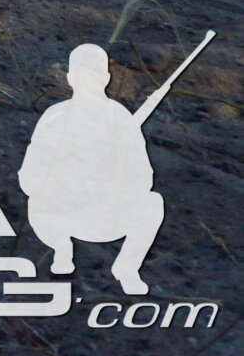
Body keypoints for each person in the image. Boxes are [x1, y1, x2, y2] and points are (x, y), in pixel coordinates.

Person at [21, 40, 173, 295]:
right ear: (70, 78)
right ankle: (61, 250)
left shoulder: (121, 119)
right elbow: (29, 177)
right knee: (37, 203)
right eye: (83, 73)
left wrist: (114, 172)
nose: (89, 79)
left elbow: (143, 177)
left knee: (152, 203)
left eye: (94, 72)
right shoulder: (55, 117)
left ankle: (127, 267)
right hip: (61, 214)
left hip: (106, 214)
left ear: (105, 77)